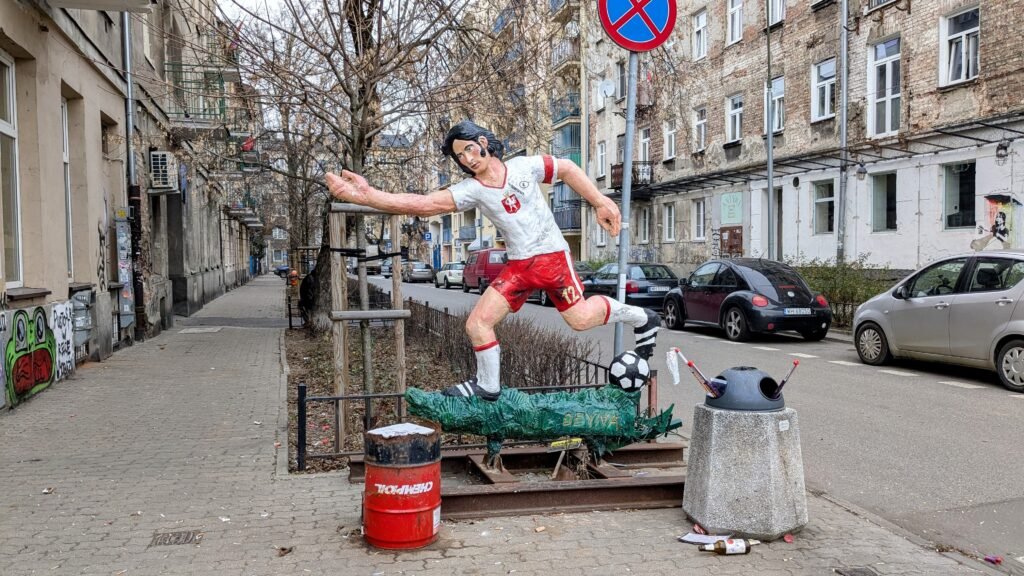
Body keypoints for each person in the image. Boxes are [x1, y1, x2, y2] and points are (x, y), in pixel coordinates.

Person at [325, 120, 660, 401]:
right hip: (518, 267)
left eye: (469, 149)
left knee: (581, 319)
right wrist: (368, 196)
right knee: (477, 323)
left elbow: (568, 168)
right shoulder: (472, 190)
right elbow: (422, 203)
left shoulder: (524, 166)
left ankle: (641, 317)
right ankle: (488, 386)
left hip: (553, 260)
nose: (468, 159)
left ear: (482, 142)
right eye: (460, 157)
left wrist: (599, 201)